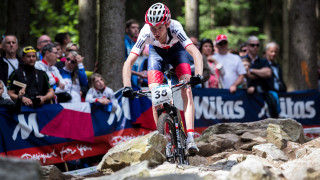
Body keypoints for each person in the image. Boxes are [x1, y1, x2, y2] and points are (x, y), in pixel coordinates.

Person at [122, 3, 203, 154]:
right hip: (156, 54)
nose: (156, 31)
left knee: (187, 90)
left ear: (167, 24)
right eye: (153, 28)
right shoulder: (145, 32)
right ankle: (163, 138)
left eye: (159, 27)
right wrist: (127, 86)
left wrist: (198, 75)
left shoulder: (176, 27)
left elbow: (195, 53)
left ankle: (191, 138)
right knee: (155, 95)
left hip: (177, 53)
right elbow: (129, 62)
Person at [125, 19, 147, 88]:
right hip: (126, 81)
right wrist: (138, 74)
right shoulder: (124, 42)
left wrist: (139, 75)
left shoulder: (134, 44)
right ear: (127, 30)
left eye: (137, 28)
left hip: (135, 81)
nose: (136, 30)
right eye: (133, 27)